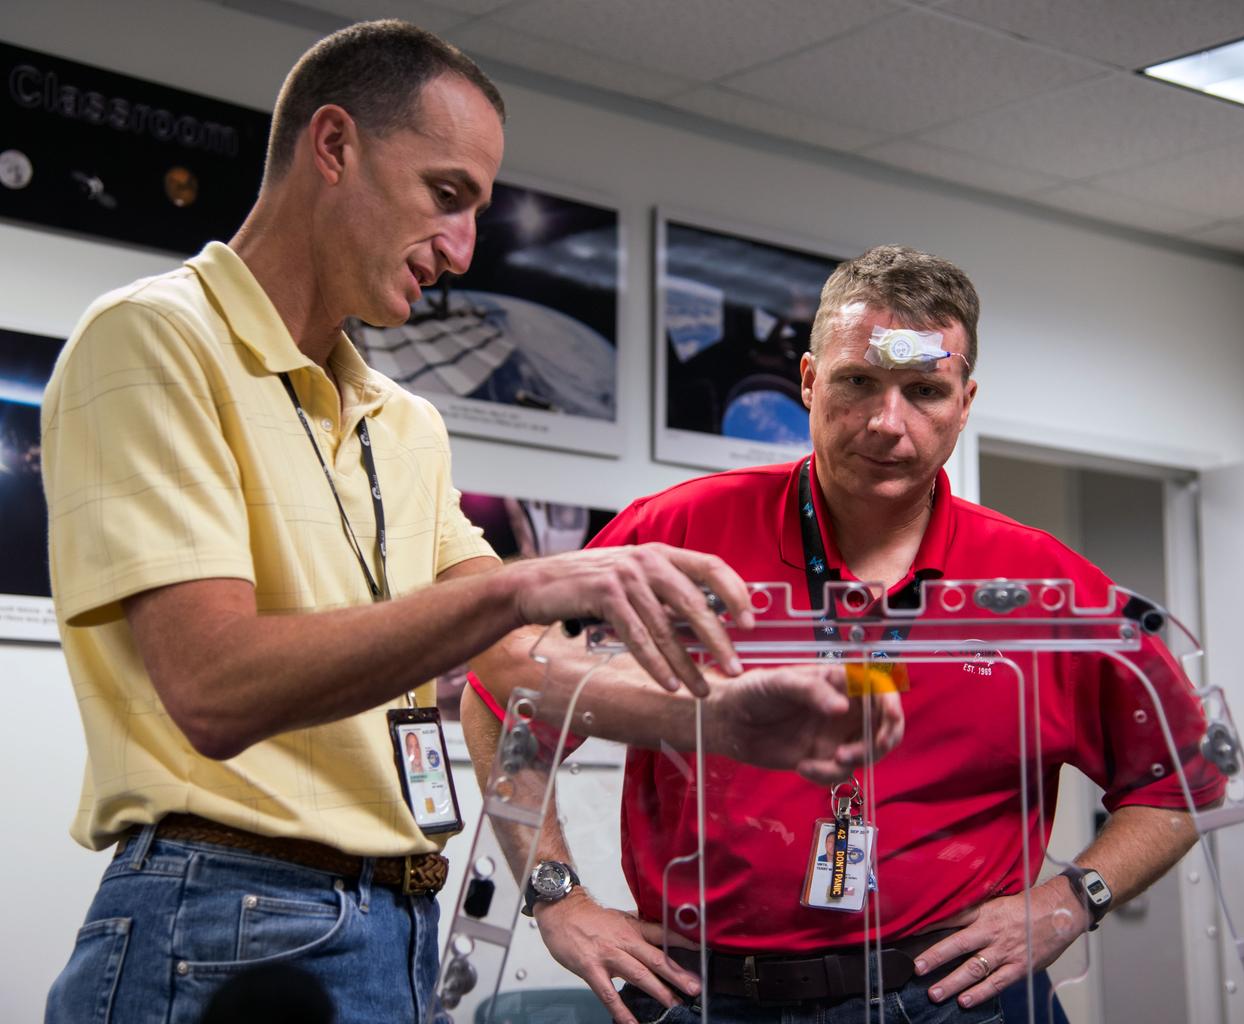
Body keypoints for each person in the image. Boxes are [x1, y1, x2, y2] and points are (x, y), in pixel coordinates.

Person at [37, 20, 849, 1024]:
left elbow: (512, 664)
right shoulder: (154, 339)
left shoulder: (403, 421)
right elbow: (213, 688)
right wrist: (530, 583)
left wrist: (715, 717)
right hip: (225, 914)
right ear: (334, 146)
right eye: (445, 195)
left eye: (476, 212)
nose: (462, 251)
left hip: (395, 922)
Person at [464, 245, 1223, 1024]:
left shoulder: (1042, 585)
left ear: (965, 402)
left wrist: (1072, 898)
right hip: (705, 996)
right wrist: (556, 897)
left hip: (951, 998)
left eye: (925, 391)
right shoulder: (678, 534)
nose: (888, 424)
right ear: (808, 380)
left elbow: (1185, 782)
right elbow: (500, 694)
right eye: (859, 382)